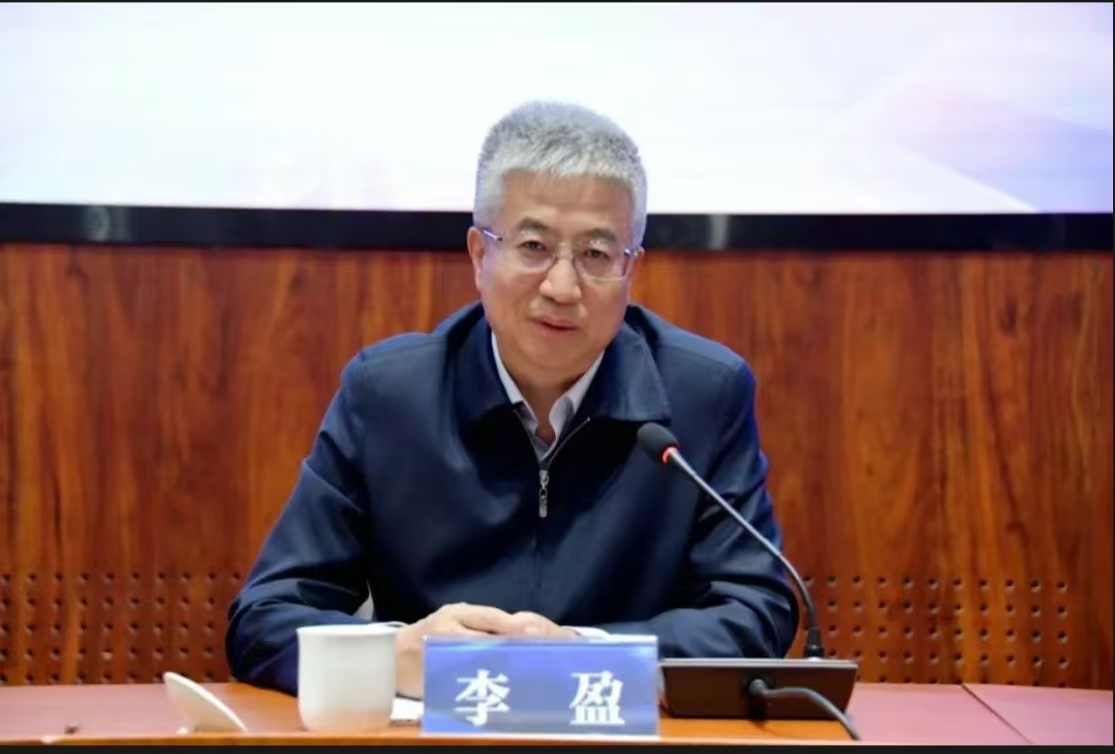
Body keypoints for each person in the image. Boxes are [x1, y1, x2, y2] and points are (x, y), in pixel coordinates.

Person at [226, 101, 798, 699]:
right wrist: (395, 656)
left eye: (597, 255)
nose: (562, 286)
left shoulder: (702, 395)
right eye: (533, 246)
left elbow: (755, 612)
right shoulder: (390, 395)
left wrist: (584, 656)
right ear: (480, 255)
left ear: (631, 269)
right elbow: (265, 618)